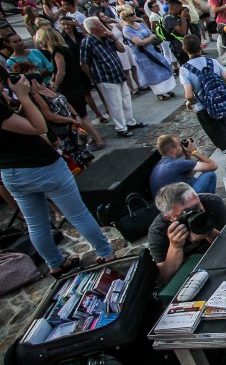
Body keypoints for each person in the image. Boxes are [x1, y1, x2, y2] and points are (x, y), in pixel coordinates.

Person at [1, 71, 115, 278]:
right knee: (78, 213)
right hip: (42, 166)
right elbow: (39, 127)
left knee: (36, 223)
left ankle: (56, 264)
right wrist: (25, 97)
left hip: (12, 174)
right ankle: (105, 253)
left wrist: (15, 100)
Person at [180, 34, 226, 173]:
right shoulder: (212, 62)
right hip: (220, 104)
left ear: (184, 49)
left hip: (204, 109)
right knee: (223, 130)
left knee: (220, 137)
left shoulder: (185, 69)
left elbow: (188, 95)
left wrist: (188, 102)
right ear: (200, 46)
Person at [33, 27, 105, 149]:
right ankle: (94, 138)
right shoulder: (63, 48)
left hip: (70, 88)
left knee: (80, 117)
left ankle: (97, 140)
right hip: (75, 86)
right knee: (82, 116)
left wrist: (55, 85)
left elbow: (61, 72)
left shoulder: (57, 51)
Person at [150, 183, 226, 285]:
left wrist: (208, 232)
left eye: (196, 206)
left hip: (220, 258)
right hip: (190, 272)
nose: (196, 212)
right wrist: (175, 247)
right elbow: (165, 278)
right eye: (185, 212)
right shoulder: (158, 231)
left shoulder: (212, 202)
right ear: (169, 218)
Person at [80, 17, 145, 138]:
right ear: (93, 29)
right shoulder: (87, 42)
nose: (102, 26)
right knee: (115, 104)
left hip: (117, 73)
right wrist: (92, 78)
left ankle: (130, 122)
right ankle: (121, 128)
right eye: (99, 25)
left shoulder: (107, 37)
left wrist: (113, 37)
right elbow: (84, 63)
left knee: (126, 99)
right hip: (105, 77)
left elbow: (121, 49)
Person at [118, 5, 177, 100]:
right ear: (126, 18)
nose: (133, 15)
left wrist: (147, 38)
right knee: (152, 73)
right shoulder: (127, 29)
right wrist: (148, 39)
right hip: (142, 55)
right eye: (130, 15)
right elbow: (139, 42)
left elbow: (151, 34)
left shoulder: (140, 25)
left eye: (133, 13)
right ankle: (159, 93)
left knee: (162, 67)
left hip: (152, 50)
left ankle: (166, 89)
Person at [149, 134, 218, 197]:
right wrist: (194, 152)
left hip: (165, 204)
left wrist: (188, 156)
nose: (182, 147)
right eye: (179, 145)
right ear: (172, 150)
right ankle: (209, 203)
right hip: (179, 204)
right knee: (210, 174)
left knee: (191, 179)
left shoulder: (159, 165)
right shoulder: (177, 164)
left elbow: (189, 175)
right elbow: (213, 166)